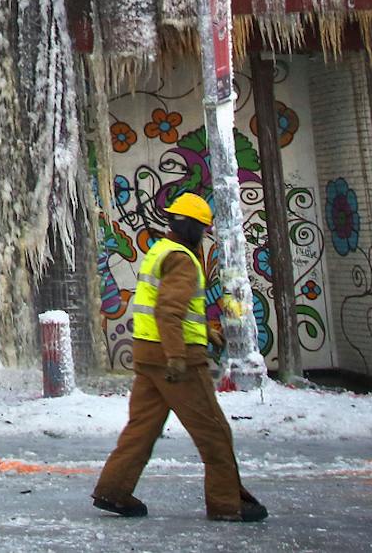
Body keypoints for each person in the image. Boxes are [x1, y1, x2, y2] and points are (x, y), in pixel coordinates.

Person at [91, 192, 267, 522]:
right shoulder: (182, 259)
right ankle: (227, 504)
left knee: (141, 429)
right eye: (201, 228)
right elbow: (168, 311)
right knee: (214, 432)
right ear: (189, 227)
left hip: (147, 354)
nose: (202, 234)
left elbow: (172, 309)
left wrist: (206, 331)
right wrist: (176, 356)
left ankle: (112, 491)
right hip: (178, 362)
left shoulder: (159, 250)